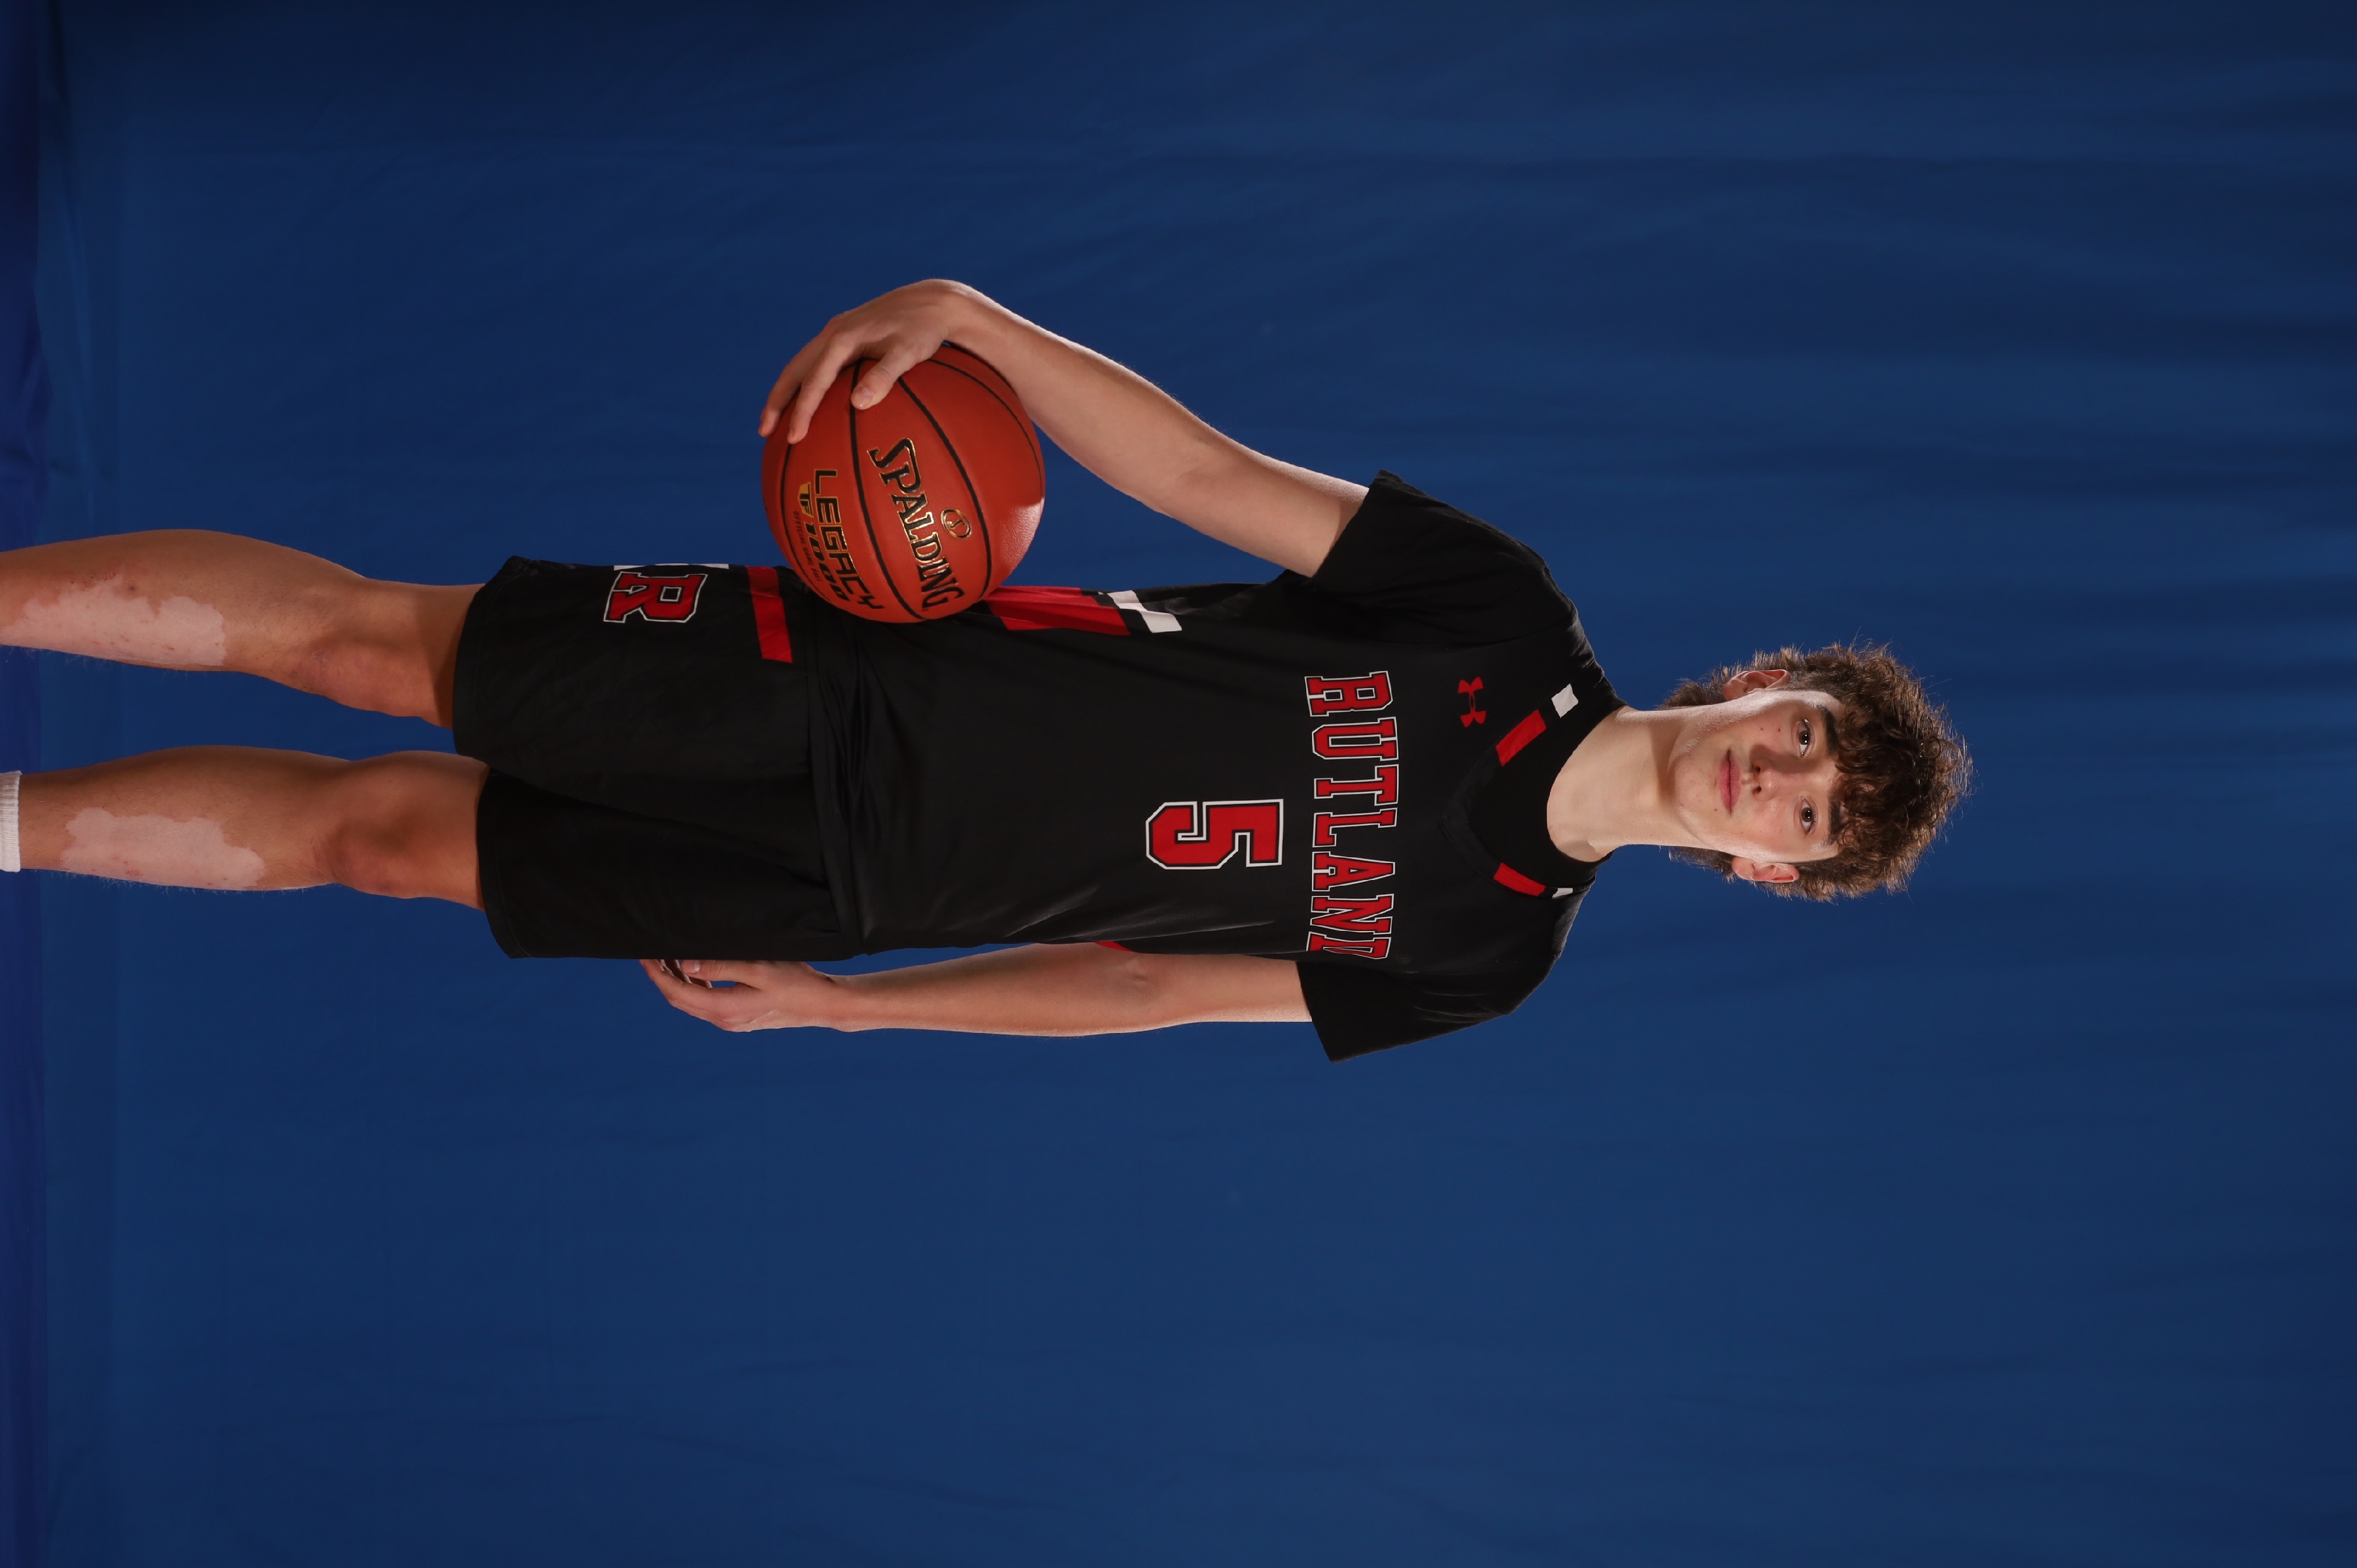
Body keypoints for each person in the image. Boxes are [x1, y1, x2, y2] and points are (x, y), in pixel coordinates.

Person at [0, 280, 1970, 1059]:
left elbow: (1141, 988)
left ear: (1770, 868)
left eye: (1811, 813)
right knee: (375, 650)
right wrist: (984, 327)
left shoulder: (1490, 953)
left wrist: (853, 1009)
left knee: (377, 846)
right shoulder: (1502, 617)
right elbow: (1205, 477)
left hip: (860, 885)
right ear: (1765, 677)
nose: (1780, 774)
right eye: (1804, 733)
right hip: (856, 677)